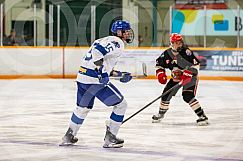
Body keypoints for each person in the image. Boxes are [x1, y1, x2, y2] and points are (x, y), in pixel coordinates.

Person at [61, 20, 134, 148]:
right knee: (121, 105)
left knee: (82, 108)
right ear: (118, 32)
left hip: (83, 78)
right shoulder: (118, 43)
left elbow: (101, 62)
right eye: (126, 32)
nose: (128, 34)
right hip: (94, 81)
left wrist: (120, 75)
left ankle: (69, 135)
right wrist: (102, 73)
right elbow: (97, 52)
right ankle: (110, 138)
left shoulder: (103, 39)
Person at [152, 33, 209, 126]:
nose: (180, 44)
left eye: (180, 42)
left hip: (190, 78)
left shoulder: (186, 52)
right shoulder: (166, 54)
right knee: (165, 95)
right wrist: (160, 74)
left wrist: (189, 72)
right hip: (176, 78)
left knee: (188, 96)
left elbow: (196, 65)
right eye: (177, 43)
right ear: (172, 43)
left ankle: (202, 116)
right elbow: (159, 65)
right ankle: (161, 114)